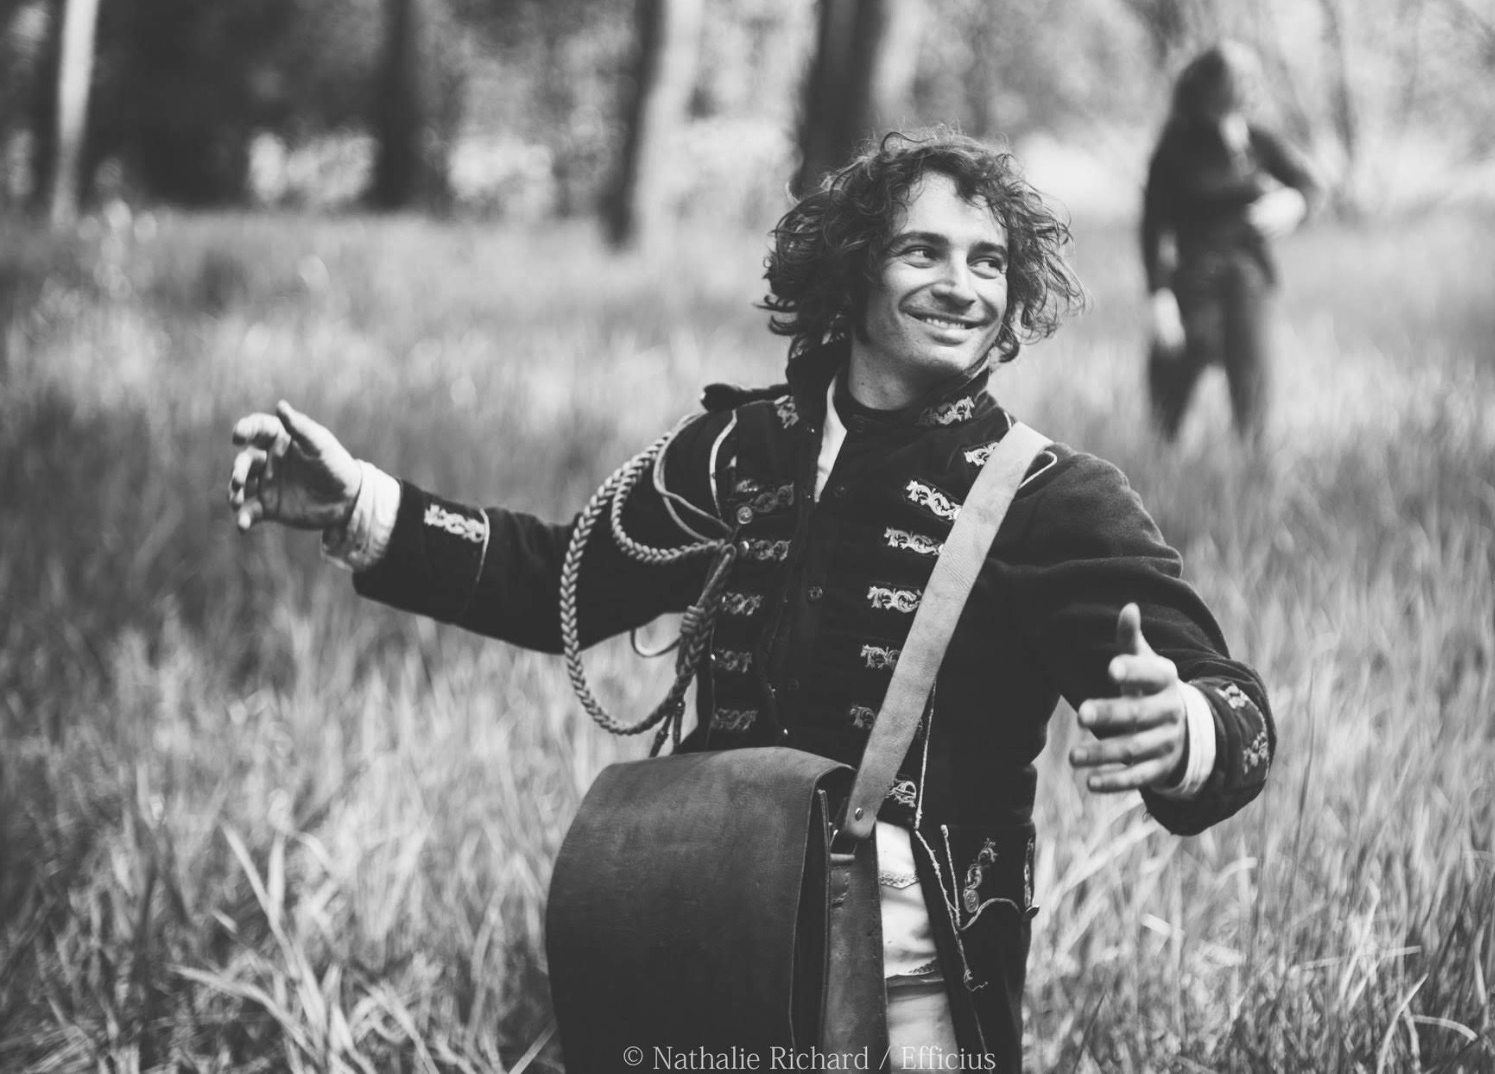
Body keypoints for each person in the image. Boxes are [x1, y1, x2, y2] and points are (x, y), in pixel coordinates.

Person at [228, 130, 1275, 1072]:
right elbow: (555, 581)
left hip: (916, 985)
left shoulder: (1055, 498)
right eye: (924, 252)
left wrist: (1184, 728)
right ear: (853, 270)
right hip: (707, 935)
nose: (962, 286)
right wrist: (361, 506)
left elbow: (1232, 702)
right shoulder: (738, 450)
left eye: (988, 262)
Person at [1141, 41, 1321, 445]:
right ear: (1212, 86)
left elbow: (1311, 186)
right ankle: (1164, 466)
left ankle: (1250, 466)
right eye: (1241, 80)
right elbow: (1153, 228)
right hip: (1193, 284)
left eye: (1253, 80)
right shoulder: (1176, 147)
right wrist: (1159, 299)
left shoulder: (1256, 140)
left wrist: (1293, 204)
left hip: (1249, 280)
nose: (1251, 88)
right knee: (1168, 397)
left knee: (1253, 401)